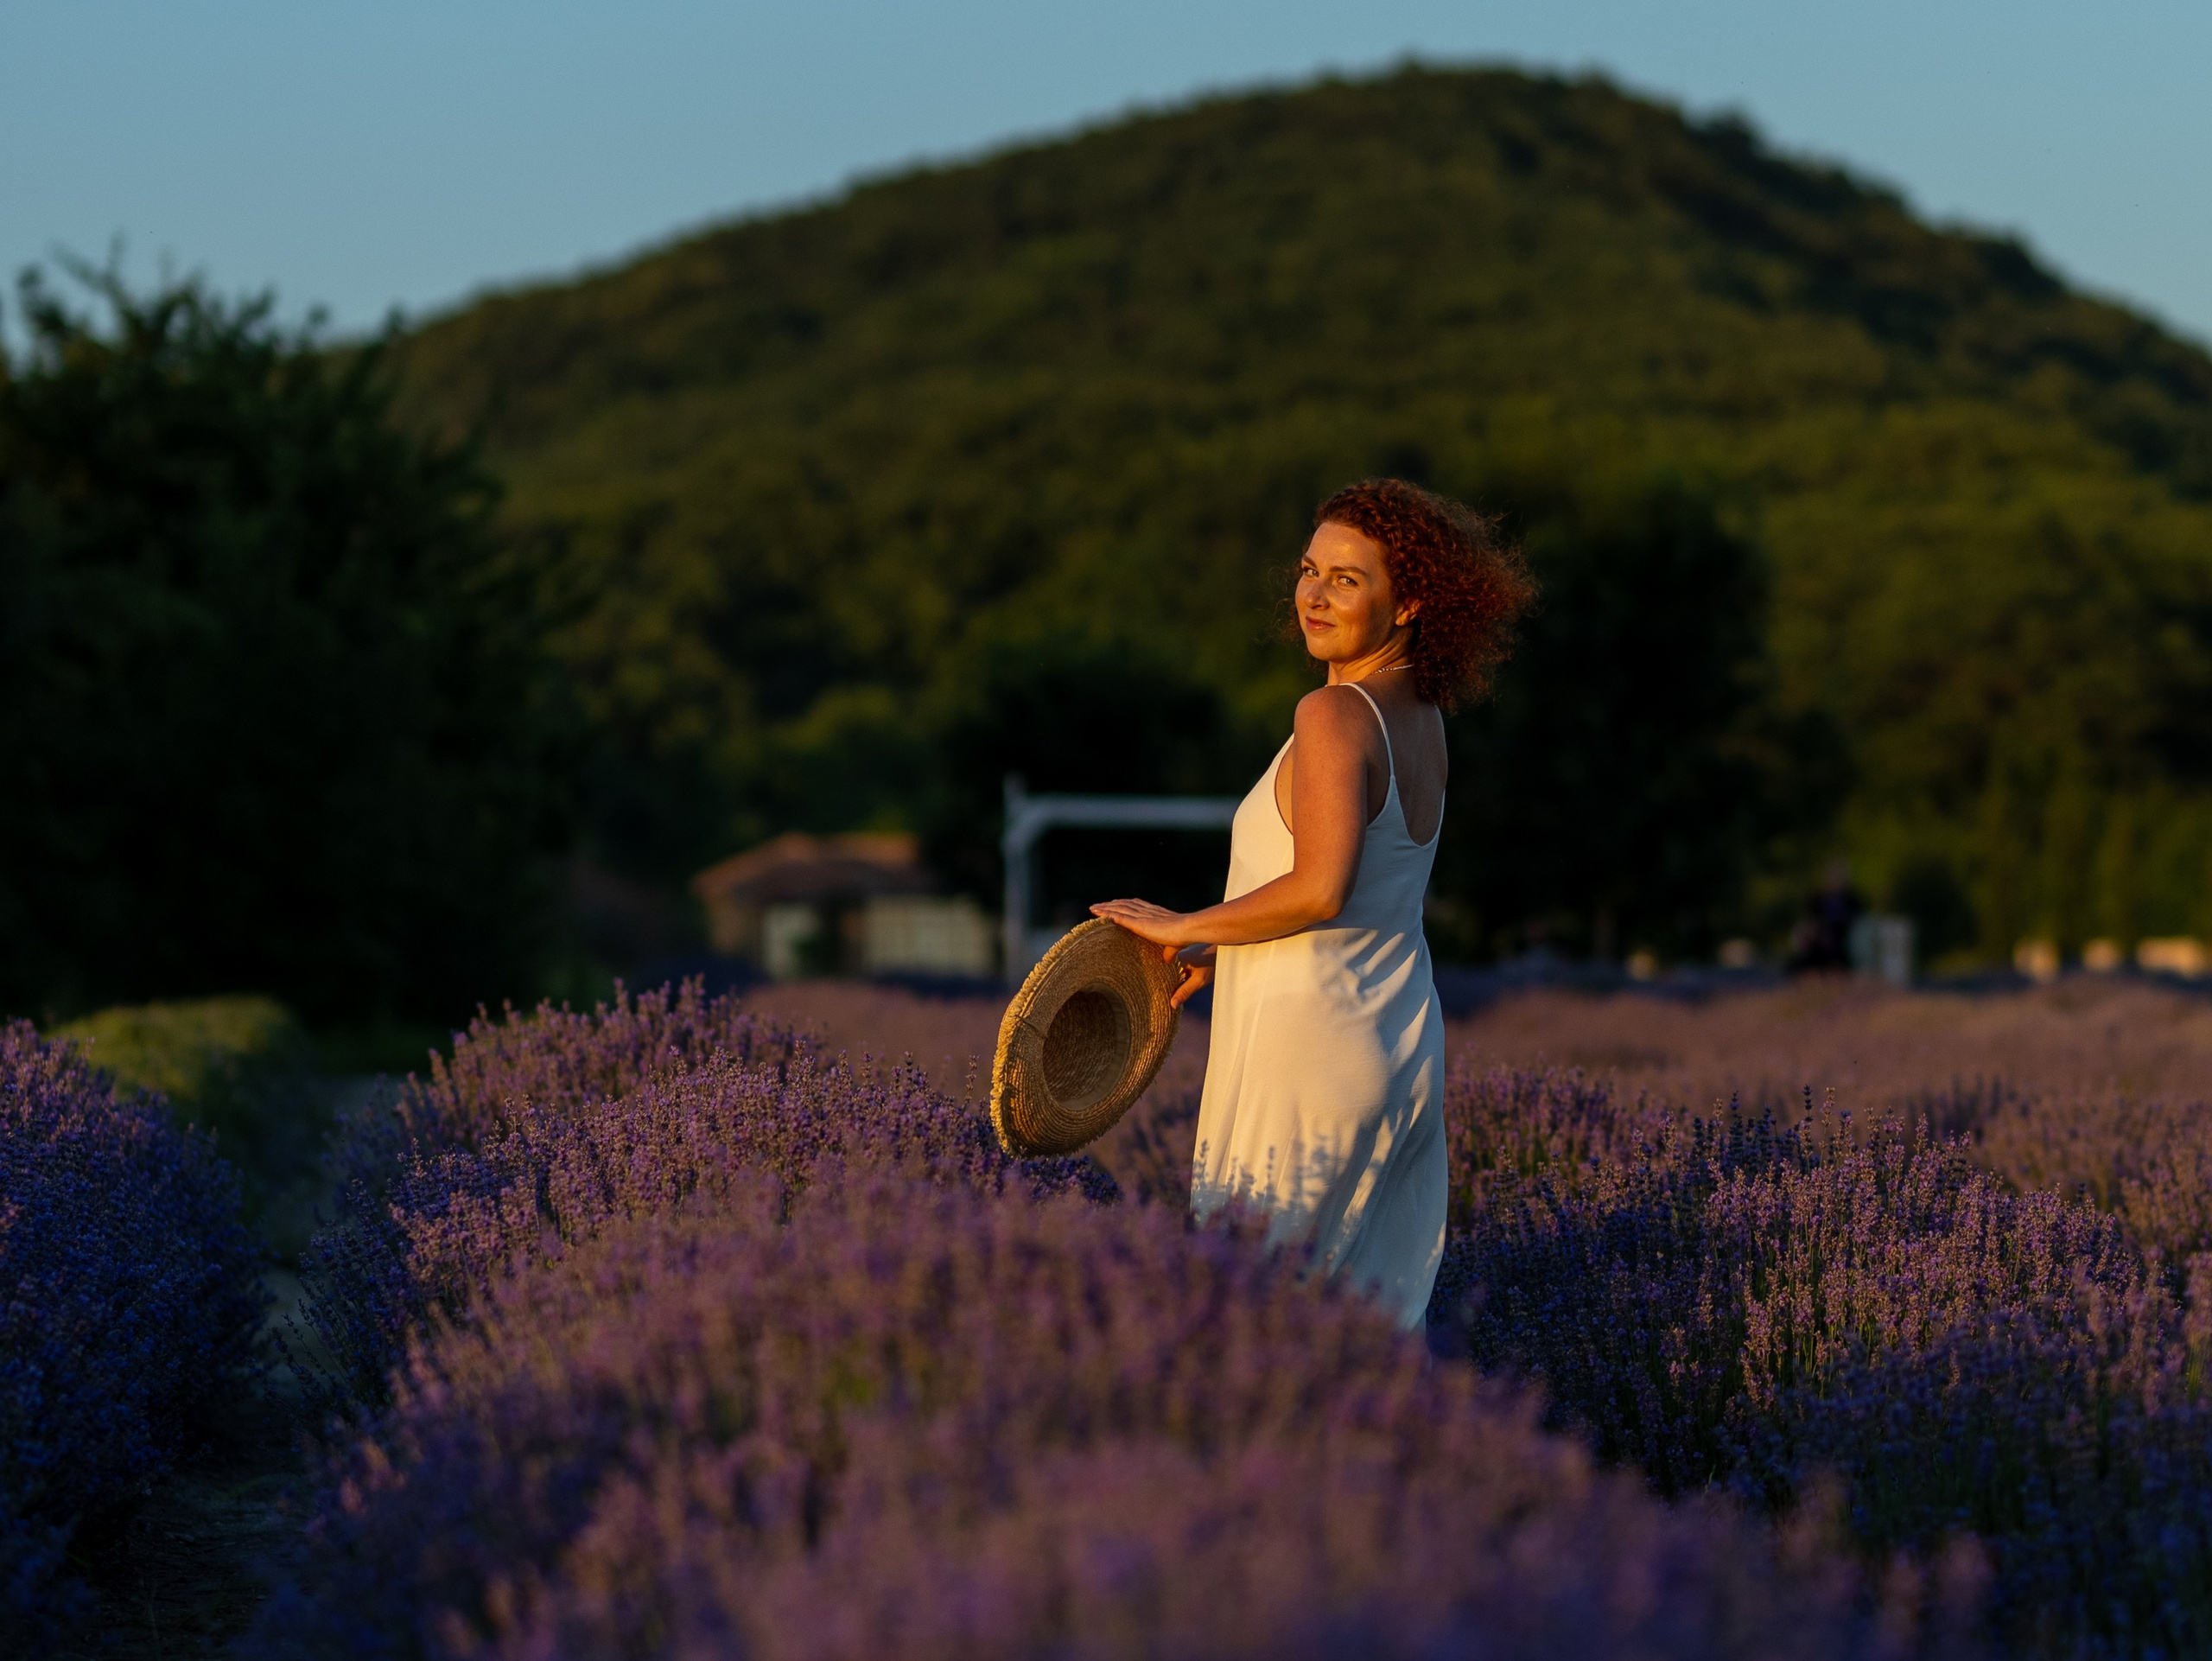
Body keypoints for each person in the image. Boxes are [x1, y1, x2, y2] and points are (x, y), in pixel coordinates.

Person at [1092, 480, 1533, 1328]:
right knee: (1362, 1327)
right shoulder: (1424, 717)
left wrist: (1180, 923)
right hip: (1396, 1041)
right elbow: (1370, 889)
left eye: (1347, 578)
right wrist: (1228, 946)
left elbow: (1320, 887)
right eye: (1308, 569)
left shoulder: (1333, 713)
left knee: (1260, 1325)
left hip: (1310, 1050)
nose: (1314, 593)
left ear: (1410, 602)